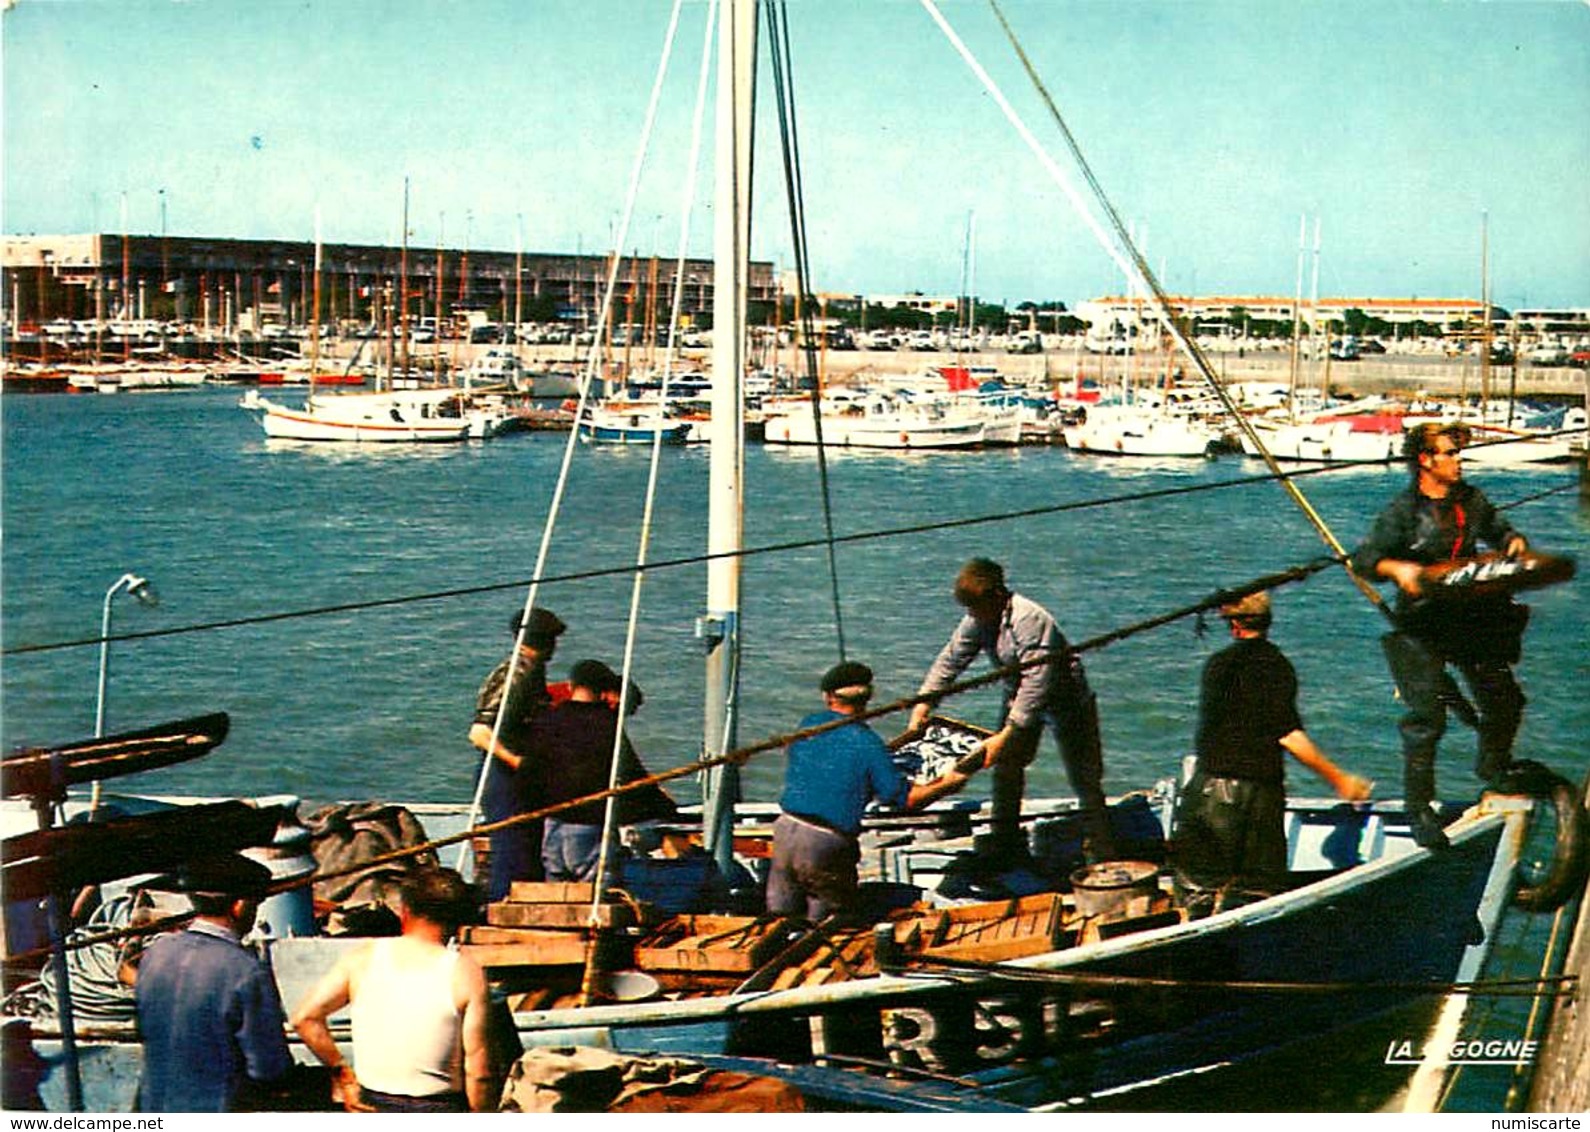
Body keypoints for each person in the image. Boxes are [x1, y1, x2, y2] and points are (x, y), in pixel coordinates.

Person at [1350, 422, 1530, 849]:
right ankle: (1419, 809)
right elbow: (1365, 559)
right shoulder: (1402, 512)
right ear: (1426, 460)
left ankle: (1493, 767)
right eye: (1450, 453)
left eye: (1458, 453)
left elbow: (1500, 529)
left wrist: (1514, 541)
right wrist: (1397, 569)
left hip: (1468, 617)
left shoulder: (1471, 500)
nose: (1458, 460)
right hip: (1420, 624)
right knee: (1426, 720)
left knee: (1505, 699)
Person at [1172, 591, 1374, 918]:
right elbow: (1289, 735)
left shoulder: (1217, 665)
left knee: (1198, 889)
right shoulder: (1277, 668)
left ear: (1234, 626)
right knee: (1256, 894)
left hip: (1207, 791)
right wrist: (1340, 780)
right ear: (1268, 622)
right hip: (1256, 798)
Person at [908, 557, 1111, 860]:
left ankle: (1103, 849)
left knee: (1084, 777)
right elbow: (952, 659)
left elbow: (1038, 680)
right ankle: (1006, 841)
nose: (972, 615)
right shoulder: (977, 619)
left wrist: (1009, 733)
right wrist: (925, 701)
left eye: (975, 607)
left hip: (1066, 700)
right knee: (1005, 768)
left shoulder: (1029, 619)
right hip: (1018, 696)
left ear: (996, 596)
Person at [770, 661, 972, 922]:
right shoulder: (868, 744)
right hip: (824, 845)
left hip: (784, 831)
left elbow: (805, 756)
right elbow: (905, 799)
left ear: (828, 697)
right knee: (829, 924)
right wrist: (951, 782)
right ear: (869, 698)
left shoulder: (808, 725)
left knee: (778, 919)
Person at [291, 867, 491, 1113]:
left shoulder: (364, 957)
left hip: (372, 1103)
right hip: (439, 1106)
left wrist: (343, 1075)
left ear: (405, 912)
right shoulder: (465, 972)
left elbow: (304, 1018)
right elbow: (479, 1070)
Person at [135, 854, 292, 1112]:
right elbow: (268, 1068)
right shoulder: (246, 971)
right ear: (240, 906)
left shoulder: (156, 953)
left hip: (154, 1106)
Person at [532, 659, 677, 882]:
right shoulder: (604, 724)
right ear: (606, 693)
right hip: (588, 825)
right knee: (597, 893)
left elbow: (534, 767)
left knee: (556, 893)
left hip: (552, 823)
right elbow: (630, 773)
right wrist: (664, 808)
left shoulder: (550, 718)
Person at [469, 606, 566, 898]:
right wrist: (516, 761)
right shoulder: (514, 674)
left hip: (522, 777)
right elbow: (479, 732)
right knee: (512, 856)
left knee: (529, 855)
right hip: (503, 775)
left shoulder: (534, 674)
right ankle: (500, 910)